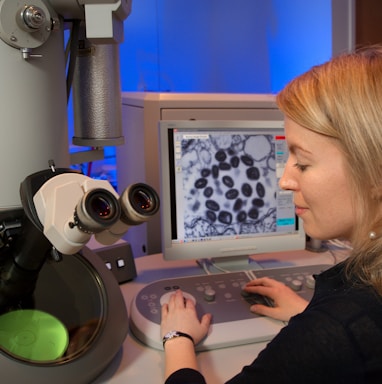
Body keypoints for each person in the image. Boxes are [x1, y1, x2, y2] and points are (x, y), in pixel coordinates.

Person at [160, 46, 382, 384]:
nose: (284, 180)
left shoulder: (339, 330)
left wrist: (177, 339)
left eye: (303, 163)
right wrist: (310, 314)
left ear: (374, 174)